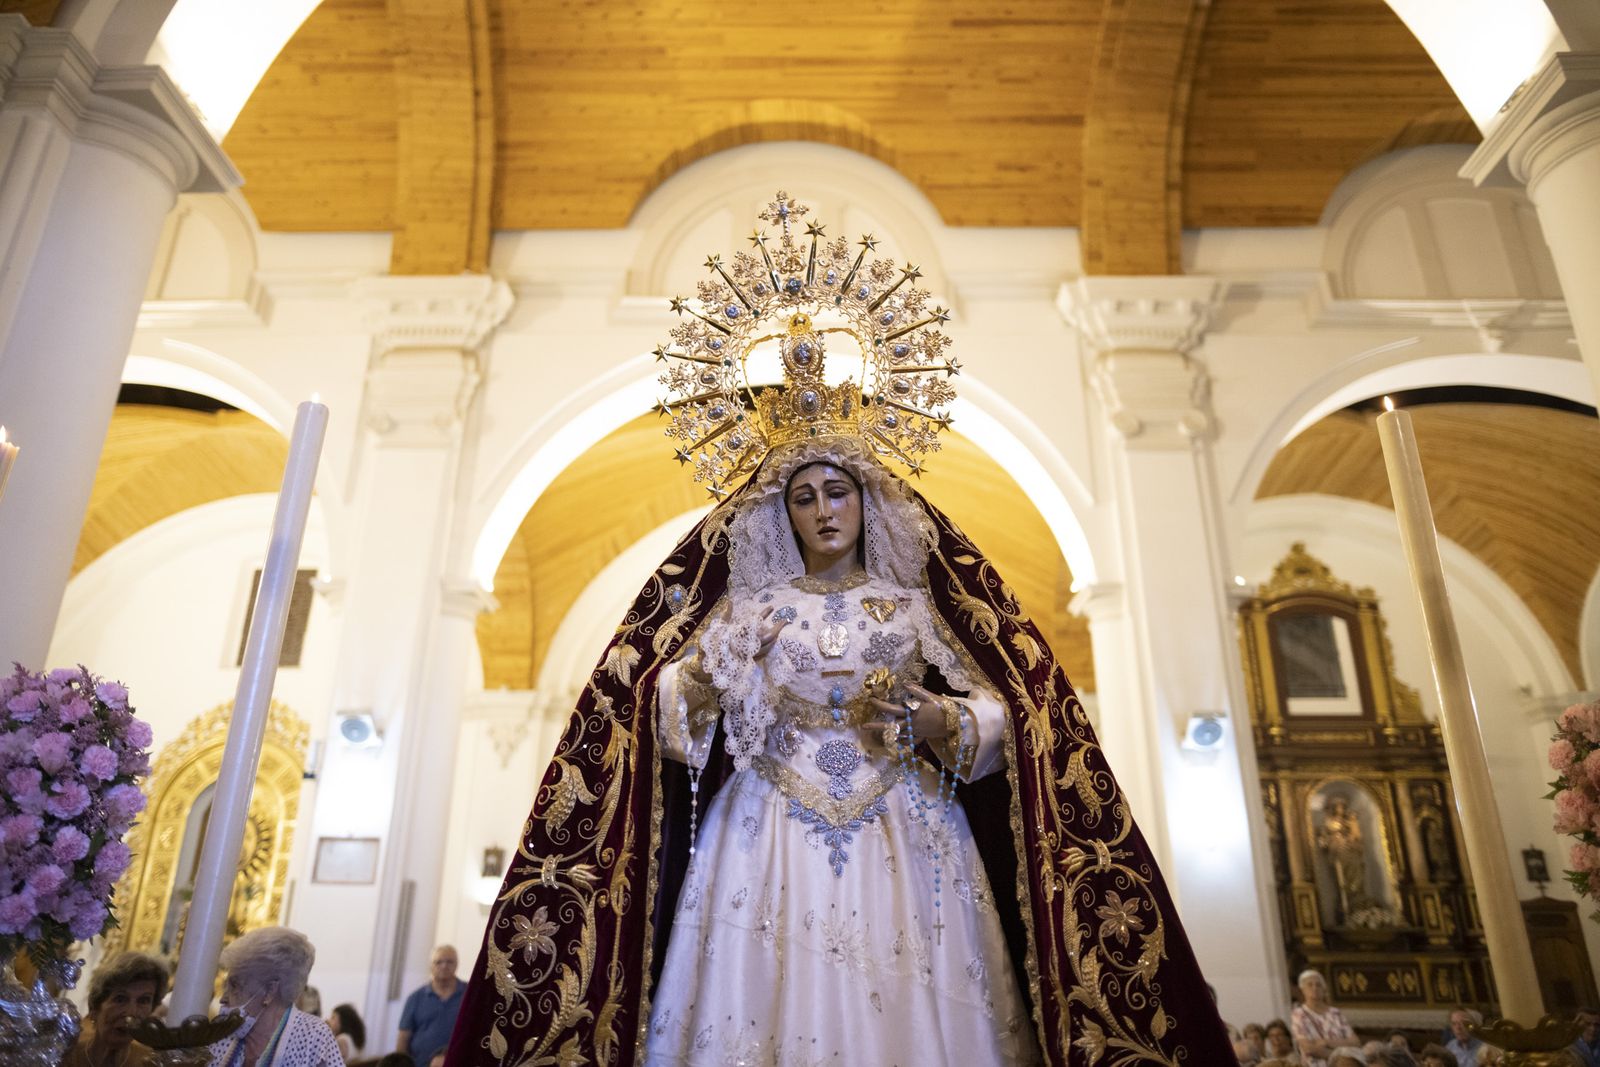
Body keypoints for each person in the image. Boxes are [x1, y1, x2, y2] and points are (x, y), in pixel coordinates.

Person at [443, 195, 1236, 1063]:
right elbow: (667, 701)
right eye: (805, 495)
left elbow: (1011, 710)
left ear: (868, 500)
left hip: (905, 824)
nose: (825, 510)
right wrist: (709, 685)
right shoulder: (747, 604)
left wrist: (941, 721)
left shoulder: (913, 606)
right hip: (766, 827)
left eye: (840, 491)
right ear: (782, 511)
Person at [207, 926, 343, 1067]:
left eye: (235, 986)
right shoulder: (222, 1036)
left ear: (270, 991)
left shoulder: (314, 1037)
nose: (223, 998)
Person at [64, 951, 168, 1067]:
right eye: (120, 999)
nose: (131, 1012)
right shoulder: (64, 1056)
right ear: (94, 1009)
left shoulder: (150, 1063)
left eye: (143, 1001)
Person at [396, 945, 461, 1066]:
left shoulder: (470, 995)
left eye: (449, 962)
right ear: (431, 966)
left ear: (456, 964)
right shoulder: (415, 998)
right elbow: (403, 1037)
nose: (444, 966)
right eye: (438, 962)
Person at [1292, 968, 1358, 1067]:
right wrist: (1340, 1054)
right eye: (1310, 985)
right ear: (1303, 989)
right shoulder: (1299, 1014)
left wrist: (1327, 1042)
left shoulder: (1335, 1013)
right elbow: (1308, 1048)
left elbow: (1355, 1042)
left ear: (1324, 989)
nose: (1315, 988)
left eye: (1318, 985)